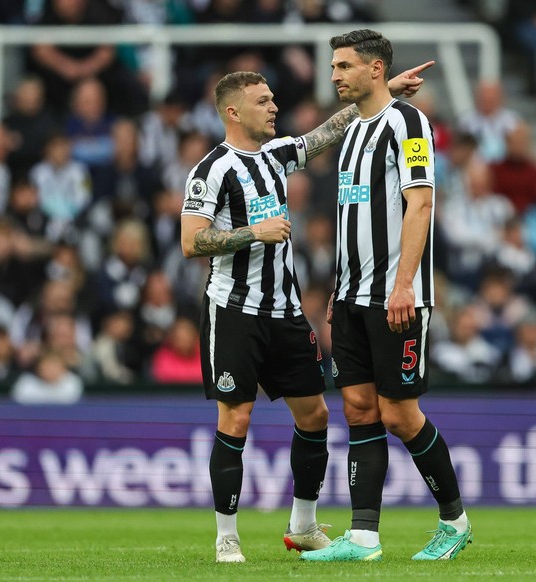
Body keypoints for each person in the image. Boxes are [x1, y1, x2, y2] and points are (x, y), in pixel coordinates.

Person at [180, 64, 430, 563]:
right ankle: (226, 536)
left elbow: (323, 135)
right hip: (234, 309)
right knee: (237, 416)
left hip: (286, 312)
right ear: (233, 111)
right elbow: (191, 242)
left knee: (315, 415)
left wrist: (383, 91)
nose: (274, 107)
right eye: (262, 101)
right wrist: (255, 232)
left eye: (273, 99)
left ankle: (303, 524)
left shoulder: (275, 154)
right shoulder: (212, 170)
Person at [300, 29, 471, 563]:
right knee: (358, 409)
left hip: (396, 296)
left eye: (344, 66)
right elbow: (350, 218)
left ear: (374, 69)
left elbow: (420, 205)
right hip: (349, 296)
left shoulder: (410, 124)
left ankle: (455, 522)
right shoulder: (353, 129)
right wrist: (335, 290)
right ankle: (364, 538)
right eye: (332, 67)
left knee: (400, 414)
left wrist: (404, 285)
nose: (334, 76)